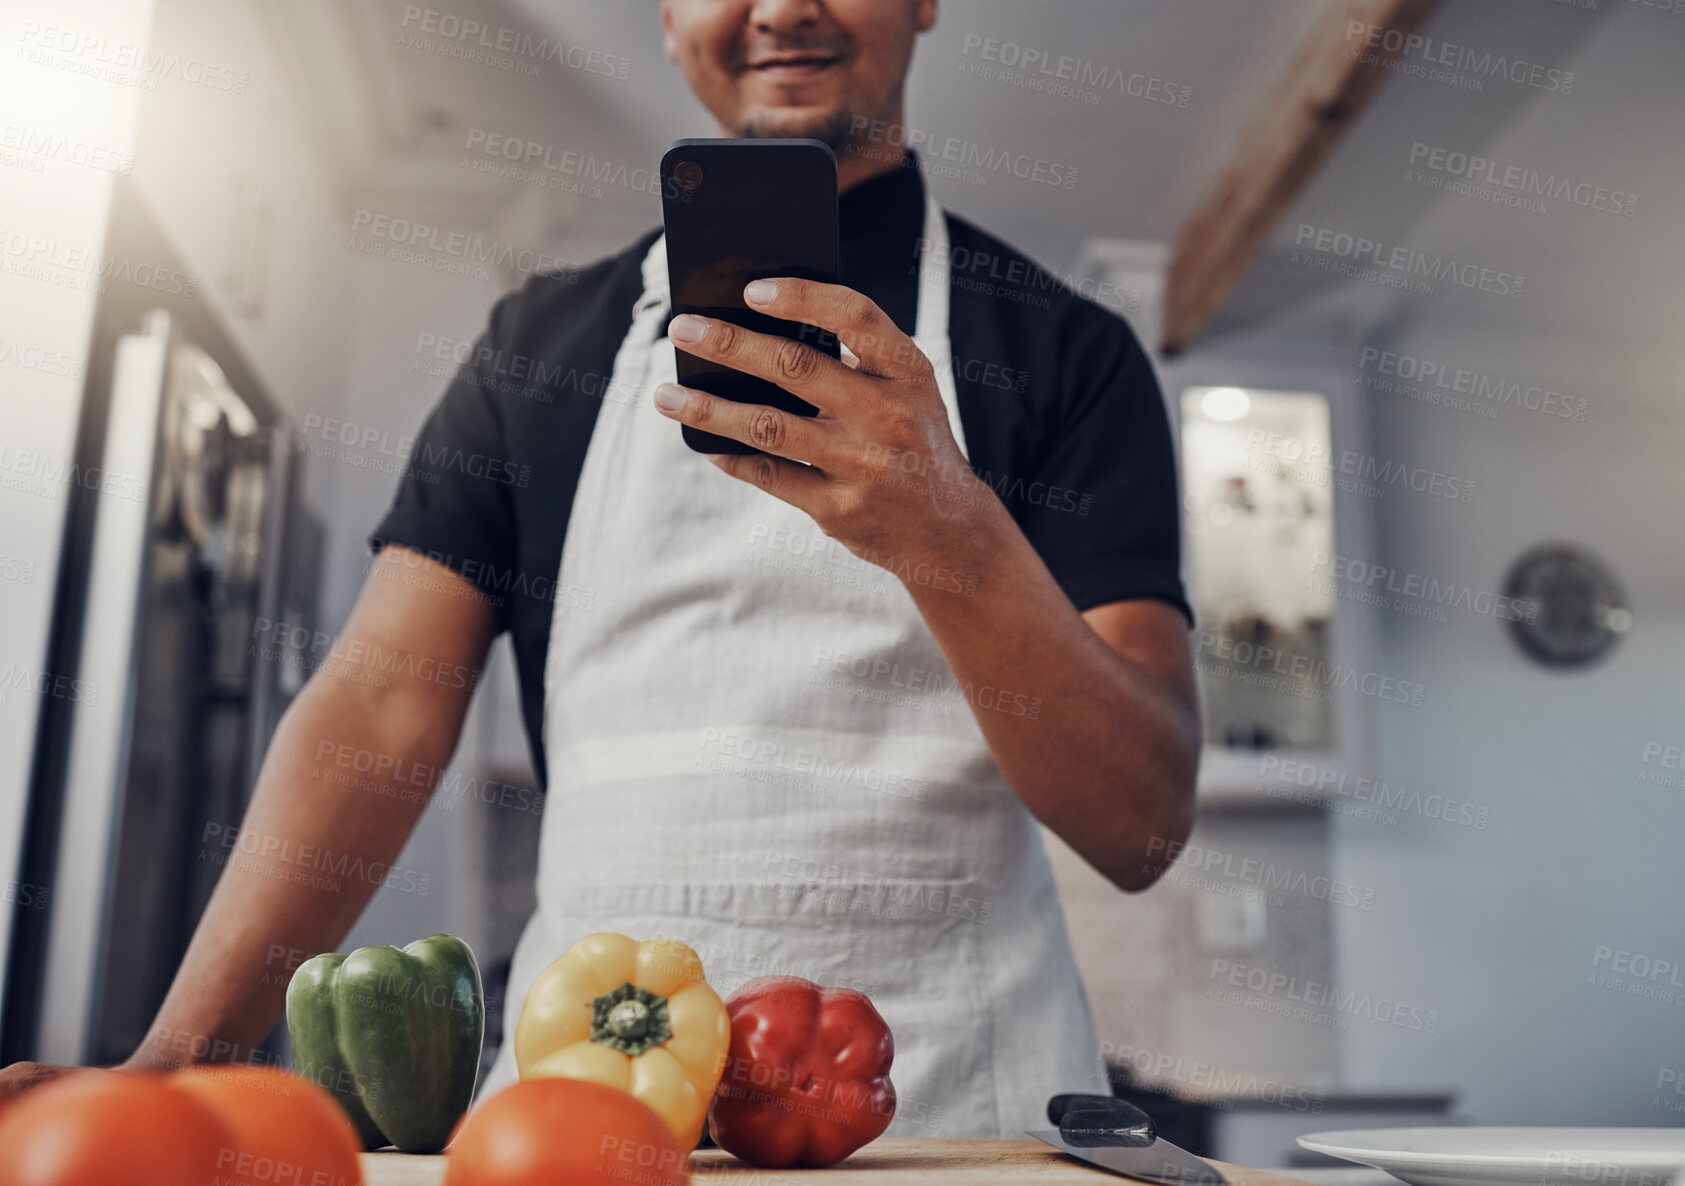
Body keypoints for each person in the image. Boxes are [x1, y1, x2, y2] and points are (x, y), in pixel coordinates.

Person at [0, 0, 1199, 1135]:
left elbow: (1137, 824)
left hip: (949, 1113)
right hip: (585, 1106)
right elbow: (378, 702)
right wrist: (174, 1066)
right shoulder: (535, 351)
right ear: (667, 16)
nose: (780, 8)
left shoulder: (1066, 356)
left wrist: (954, 538)